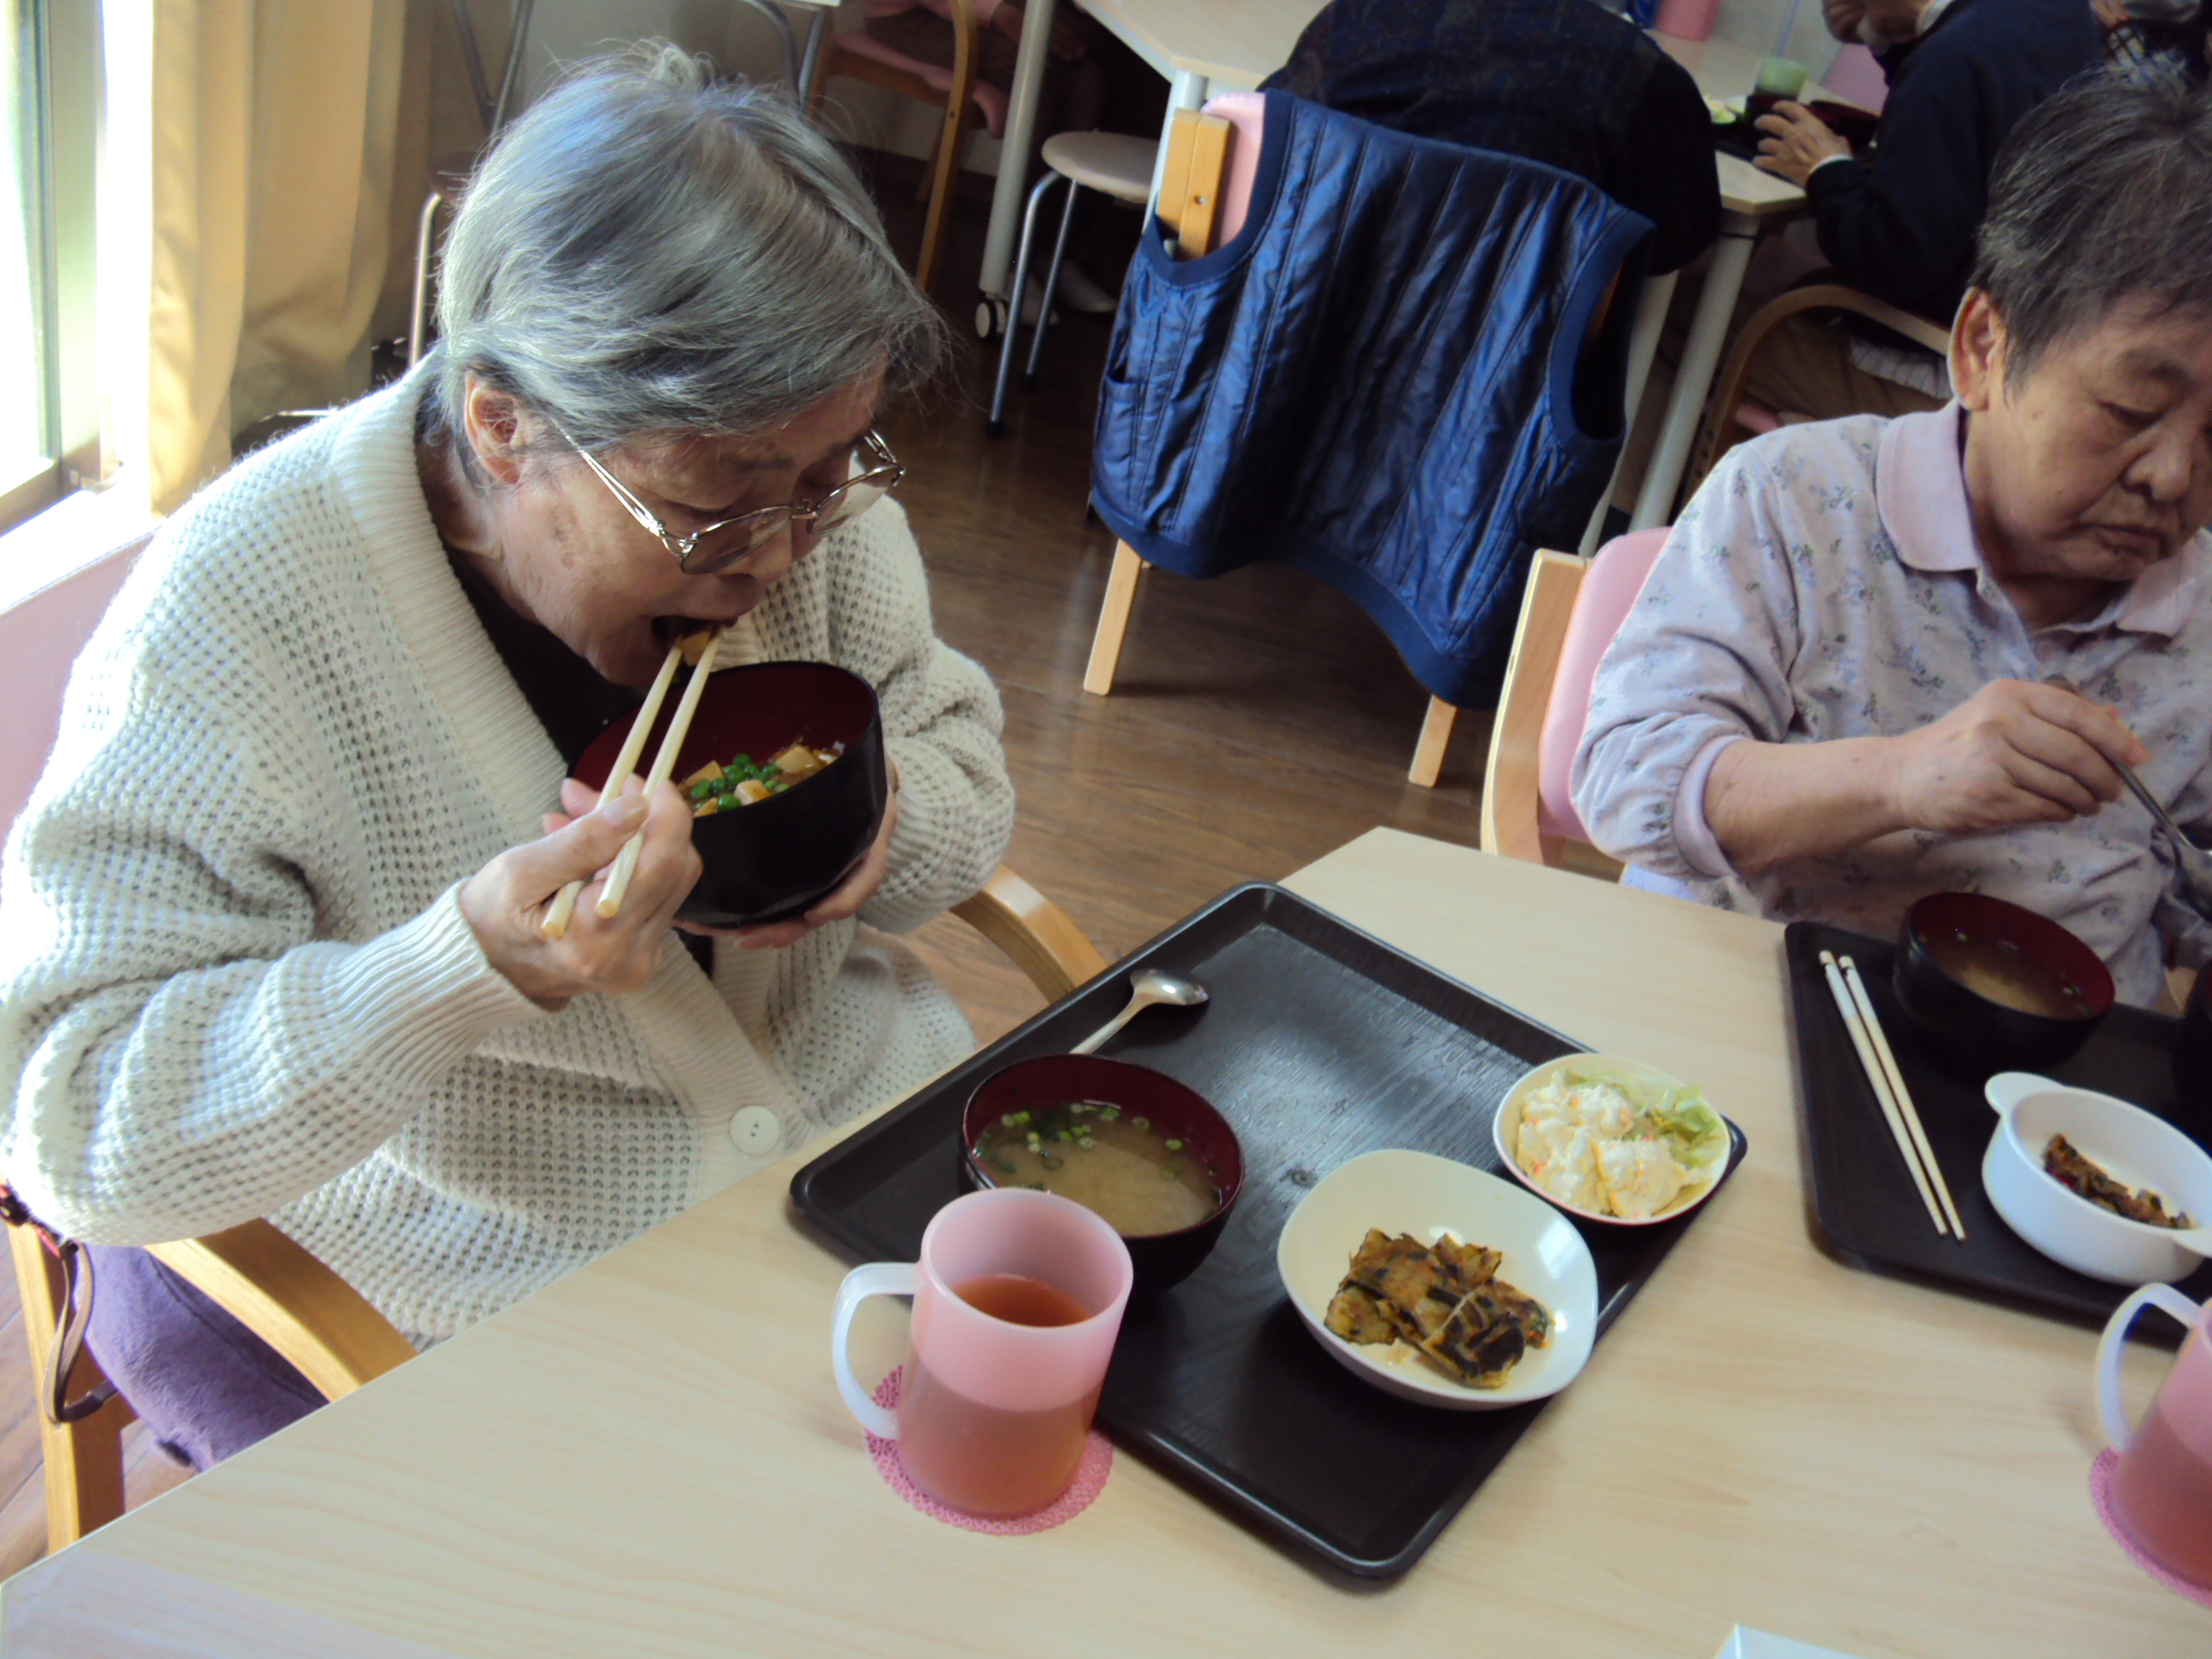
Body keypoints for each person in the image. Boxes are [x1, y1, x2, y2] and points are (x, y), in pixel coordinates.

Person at [0, 50, 1014, 1466]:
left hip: (868, 1155)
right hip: (522, 1280)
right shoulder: (238, 617)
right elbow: (72, 1115)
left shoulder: (801, 504)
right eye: (717, 504)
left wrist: (882, 823)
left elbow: (958, 749)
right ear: (502, 424)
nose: (785, 550)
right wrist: (462, 969)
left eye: (833, 471)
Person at [1574, 75, 2212, 1011]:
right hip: (1736, 1015)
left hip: (2058, 1082)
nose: (2173, 476)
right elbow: (1627, 786)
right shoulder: (1796, 499)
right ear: (1984, 347)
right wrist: (1902, 777)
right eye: (2130, 409)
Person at [1744, 0, 2101, 421]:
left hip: (1944, 377)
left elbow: (1892, 263)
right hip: (2036, 359)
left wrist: (1825, 171)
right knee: (1801, 285)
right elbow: (1970, 118)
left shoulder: (1951, 58)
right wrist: (1888, 39)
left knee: (1699, 320)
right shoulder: (2062, 14)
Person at [1263, 0, 1720, 274]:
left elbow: (1269, 151)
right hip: (1513, 376)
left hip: (1316, 332)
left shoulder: (1358, 20)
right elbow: (1676, 246)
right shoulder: (1638, 73)